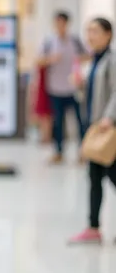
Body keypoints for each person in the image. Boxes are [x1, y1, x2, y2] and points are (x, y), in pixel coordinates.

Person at [68, 18, 116, 244]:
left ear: (108, 34)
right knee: (95, 177)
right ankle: (93, 228)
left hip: (108, 130)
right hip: (96, 128)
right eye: (88, 31)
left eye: (95, 31)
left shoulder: (112, 59)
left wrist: (110, 116)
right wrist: (80, 85)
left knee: (110, 176)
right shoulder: (95, 60)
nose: (90, 35)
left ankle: (94, 226)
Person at [38, 11, 88, 163]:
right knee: (58, 122)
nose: (60, 26)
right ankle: (58, 152)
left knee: (80, 121)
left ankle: (82, 152)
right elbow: (39, 61)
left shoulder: (75, 41)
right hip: (55, 88)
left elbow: (87, 55)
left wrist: (79, 60)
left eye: (62, 23)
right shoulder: (49, 41)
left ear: (67, 24)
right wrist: (51, 59)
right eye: (57, 23)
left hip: (73, 88)